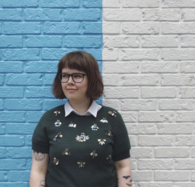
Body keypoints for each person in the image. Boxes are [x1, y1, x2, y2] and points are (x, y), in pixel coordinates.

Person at [30, 51, 132, 187]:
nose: (70, 82)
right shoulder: (49, 119)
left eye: (77, 76)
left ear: (91, 79)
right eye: (65, 76)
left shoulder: (112, 118)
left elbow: (122, 167)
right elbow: (38, 170)